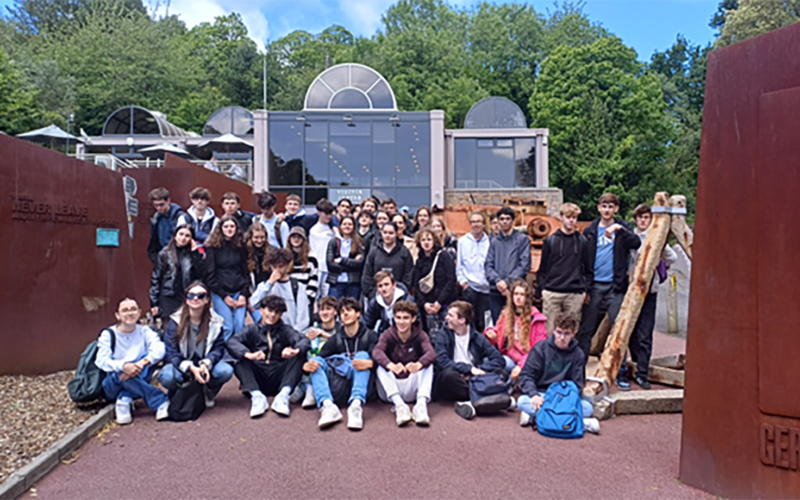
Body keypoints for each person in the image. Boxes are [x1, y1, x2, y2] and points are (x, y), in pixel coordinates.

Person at [576, 193, 641, 360]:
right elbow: (583, 261)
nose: (607, 210)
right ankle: (580, 368)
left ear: (616, 209)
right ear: (599, 208)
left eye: (611, 206)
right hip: (594, 285)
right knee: (586, 328)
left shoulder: (623, 228)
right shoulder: (590, 230)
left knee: (618, 327)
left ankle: (619, 370)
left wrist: (619, 229)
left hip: (615, 286)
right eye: (604, 206)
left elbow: (635, 243)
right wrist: (584, 287)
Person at [620, 204, 678, 390]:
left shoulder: (657, 237)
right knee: (630, 332)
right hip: (630, 290)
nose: (644, 221)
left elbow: (672, 258)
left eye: (647, 218)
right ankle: (636, 362)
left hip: (649, 292)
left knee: (645, 333)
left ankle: (642, 372)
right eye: (641, 218)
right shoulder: (632, 237)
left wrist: (662, 247)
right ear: (636, 220)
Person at [517, 313, 600, 434]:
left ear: (573, 334)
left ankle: (535, 418)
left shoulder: (578, 354)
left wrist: (561, 399)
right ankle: (579, 423)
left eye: (567, 334)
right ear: (553, 331)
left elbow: (578, 384)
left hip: (564, 396)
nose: (562, 338)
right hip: (542, 395)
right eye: (559, 332)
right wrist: (534, 394)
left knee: (588, 407)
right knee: (522, 401)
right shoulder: (540, 348)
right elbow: (526, 375)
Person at [227, 296, 309, 418]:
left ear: (281, 315)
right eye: (270, 311)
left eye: (277, 312)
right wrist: (249, 354)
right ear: (261, 310)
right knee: (240, 359)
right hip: (258, 376)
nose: (273, 315)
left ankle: (283, 397)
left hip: (279, 376)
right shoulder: (251, 329)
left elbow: (304, 340)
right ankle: (257, 397)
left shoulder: (285, 329)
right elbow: (232, 342)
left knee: (299, 356)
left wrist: (293, 351)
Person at [303, 298, 379, 430]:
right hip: (339, 388)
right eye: (342, 312)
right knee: (316, 361)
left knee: (363, 356)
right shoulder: (336, 339)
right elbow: (320, 359)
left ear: (358, 313)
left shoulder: (370, 335)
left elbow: (381, 358)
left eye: (349, 310)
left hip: (364, 389)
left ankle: (356, 407)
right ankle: (328, 406)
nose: (345, 314)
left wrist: (371, 363)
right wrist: (307, 367)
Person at [159, 281, 234, 409]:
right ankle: (178, 395)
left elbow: (218, 348)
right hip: (181, 364)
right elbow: (171, 352)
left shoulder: (216, 322)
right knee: (167, 376)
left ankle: (207, 393)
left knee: (225, 371)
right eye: (191, 295)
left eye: (201, 295)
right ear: (186, 299)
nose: (195, 298)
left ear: (207, 300)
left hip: (204, 364)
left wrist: (206, 363)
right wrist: (190, 368)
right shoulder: (175, 322)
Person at [95, 298, 169, 425]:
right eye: (125, 310)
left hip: (139, 374)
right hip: (113, 384)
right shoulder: (108, 334)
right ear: (117, 315)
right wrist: (123, 366)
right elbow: (101, 360)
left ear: (139, 312)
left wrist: (141, 363)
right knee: (118, 373)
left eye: (133, 309)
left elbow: (160, 349)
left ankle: (124, 399)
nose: (130, 313)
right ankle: (159, 401)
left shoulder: (144, 331)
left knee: (148, 357)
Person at [434, 301, 507, 420]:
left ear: (462, 320)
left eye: (451, 315)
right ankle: (488, 396)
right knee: (448, 376)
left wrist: (479, 370)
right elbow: (442, 361)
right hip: (456, 378)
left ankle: (472, 402)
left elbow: (499, 360)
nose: (446, 318)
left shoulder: (477, 337)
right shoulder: (443, 335)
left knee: (501, 373)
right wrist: (469, 369)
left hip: (474, 379)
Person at [372, 301, 435, 426]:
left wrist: (418, 364)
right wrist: (391, 365)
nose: (401, 322)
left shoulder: (421, 335)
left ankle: (421, 406)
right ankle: (400, 407)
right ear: (394, 318)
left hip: (413, 387)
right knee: (381, 367)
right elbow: (377, 352)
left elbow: (431, 353)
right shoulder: (387, 335)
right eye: (398, 318)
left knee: (428, 365)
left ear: (413, 319)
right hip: (391, 390)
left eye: (406, 318)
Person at [536, 202, 592, 336]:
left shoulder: (582, 241)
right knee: (551, 333)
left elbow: (588, 268)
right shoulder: (550, 241)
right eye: (568, 217)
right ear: (561, 218)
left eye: (574, 217)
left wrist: (584, 290)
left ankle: (569, 358)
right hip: (552, 292)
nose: (571, 220)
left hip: (574, 294)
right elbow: (543, 268)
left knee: (571, 333)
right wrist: (543, 289)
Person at [484, 279, 547, 382]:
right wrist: (490, 333)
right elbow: (497, 334)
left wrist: (520, 366)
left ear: (527, 298)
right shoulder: (506, 314)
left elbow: (538, 350)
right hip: (509, 358)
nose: (518, 297)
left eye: (522, 295)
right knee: (488, 362)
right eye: (516, 294)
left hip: (528, 362)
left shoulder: (537, 319)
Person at [204, 215, 250, 339]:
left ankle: (238, 353)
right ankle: (224, 354)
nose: (229, 229)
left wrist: (243, 295)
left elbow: (246, 273)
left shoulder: (241, 247)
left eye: (232, 226)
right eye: (226, 226)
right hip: (220, 293)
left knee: (239, 325)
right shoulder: (213, 248)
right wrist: (224, 296)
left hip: (239, 292)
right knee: (227, 326)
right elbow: (210, 276)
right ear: (220, 228)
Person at [485, 206, 531, 323]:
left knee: (515, 324)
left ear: (513, 221)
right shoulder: (494, 242)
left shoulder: (522, 239)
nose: (504, 222)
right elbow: (488, 264)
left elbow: (524, 264)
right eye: (501, 219)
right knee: (498, 325)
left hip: (515, 291)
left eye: (507, 219)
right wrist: (497, 281)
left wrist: (507, 282)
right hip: (496, 290)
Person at [149, 224, 205, 320]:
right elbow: (156, 278)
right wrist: (154, 302)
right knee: (169, 329)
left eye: (187, 236)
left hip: (187, 296)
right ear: (175, 235)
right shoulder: (164, 253)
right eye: (181, 234)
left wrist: (195, 253)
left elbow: (201, 274)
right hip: (168, 296)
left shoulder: (194, 254)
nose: (183, 238)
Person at [412, 228, 457, 344]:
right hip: (428, 305)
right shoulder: (419, 261)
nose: (426, 242)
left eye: (429, 239)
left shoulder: (444, 256)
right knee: (432, 337)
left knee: (448, 336)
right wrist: (424, 303)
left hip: (444, 303)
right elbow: (416, 285)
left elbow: (451, 280)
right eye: (423, 240)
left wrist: (439, 302)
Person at [250, 248, 311, 332]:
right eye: (274, 267)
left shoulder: (297, 286)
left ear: (288, 265)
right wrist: (270, 283)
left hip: (292, 333)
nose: (277, 270)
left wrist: (293, 335)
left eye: (281, 266)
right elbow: (254, 304)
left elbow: (303, 317)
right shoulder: (265, 285)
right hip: (270, 333)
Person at [296, 296, 340, 408]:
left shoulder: (341, 329)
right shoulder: (313, 329)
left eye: (328, 309)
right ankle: (308, 386)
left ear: (335, 312)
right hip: (312, 367)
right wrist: (304, 340)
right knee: (306, 349)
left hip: (332, 366)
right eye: (322, 309)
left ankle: (309, 388)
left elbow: (344, 344)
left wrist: (325, 335)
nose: (324, 312)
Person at [457, 210, 491, 333]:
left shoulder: (490, 242)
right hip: (470, 288)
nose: (476, 224)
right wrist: (464, 283)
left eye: (478, 222)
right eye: (473, 222)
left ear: (483, 224)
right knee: (469, 322)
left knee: (485, 324)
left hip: (486, 289)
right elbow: (459, 265)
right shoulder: (462, 241)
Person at [361, 222, 414, 298]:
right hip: (376, 296)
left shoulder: (404, 252)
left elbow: (409, 275)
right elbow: (367, 275)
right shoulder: (374, 252)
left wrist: (401, 292)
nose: (387, 235)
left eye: (391, 233)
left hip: (399, 296)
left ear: (396, 233)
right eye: (385, 232)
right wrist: (372, 294)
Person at [326, 215, 364, 300]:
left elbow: (360, 264)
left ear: (354, 226)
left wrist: (341, 260)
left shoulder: (359, 243)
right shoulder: (333, 242)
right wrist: (351, 264)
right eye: (344, 224)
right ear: (340, 226)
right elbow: (330, 264)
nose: (347, 226)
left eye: (350, 224)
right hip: (336, 282)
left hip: (353, 283)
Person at [147, 187, 185, 264]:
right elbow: (154, 241)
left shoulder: (180, 217)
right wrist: (156, 259)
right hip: (163, 258)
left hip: (177, 259)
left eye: (161, 204)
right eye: (156, 205)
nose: (159, 208)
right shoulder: (157, 218)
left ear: (168, 201)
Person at [285, 226, 320, 305]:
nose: (296, 239)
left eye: (299, 237)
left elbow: (314, 279)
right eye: (293, 237)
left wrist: (307, 298)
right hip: (288, 299)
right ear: (289, 239)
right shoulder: (284, 258)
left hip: (305, 298)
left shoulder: (311, 258)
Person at [309, 199, 336, 297]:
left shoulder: (334, 230)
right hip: (316, 268)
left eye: (330, 214)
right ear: (319, 213)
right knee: (313, 296)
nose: (328, 216)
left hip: (328, 268)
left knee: (327, 297)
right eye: (326, 213)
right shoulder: (313, 230)